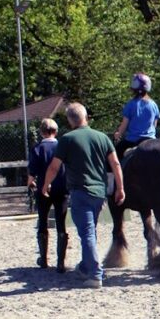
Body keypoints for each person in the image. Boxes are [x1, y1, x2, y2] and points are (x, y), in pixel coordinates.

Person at [42, 103, 125, 289]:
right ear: (86, 117)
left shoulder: (68, 139)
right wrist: (120, 188)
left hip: (80, 191)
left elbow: (54, 166)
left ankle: (95, 275)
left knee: (87, 233)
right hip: (100, 193)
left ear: (70, 120)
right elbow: (116, 164)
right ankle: (85, 266)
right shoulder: (102, 137)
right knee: (91, 231)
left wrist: (46, 184)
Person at [27, 118, 69, 272]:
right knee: (61, 222)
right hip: (62, 188)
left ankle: (44, 259)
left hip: (43, 189)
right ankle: (61, 262)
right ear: (56, 131)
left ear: (41, 132)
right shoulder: (63, 147)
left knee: (43, 220)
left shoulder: (37, 148)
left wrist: (30, 181)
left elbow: (33, 169)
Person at [114, 72, 160, 158]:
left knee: (113, 157)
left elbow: (124, 124)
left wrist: (118, 133)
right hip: (151, 141)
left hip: (132, 141)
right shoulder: (154, 105)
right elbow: (154, 125)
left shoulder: (130, 105)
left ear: (133, 89)